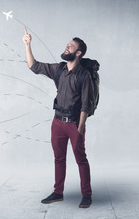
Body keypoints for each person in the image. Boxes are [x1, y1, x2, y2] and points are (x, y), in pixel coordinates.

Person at [22, 27, 94, 208]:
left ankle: (86, 195)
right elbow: (34, 66)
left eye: (70, 46)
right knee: (59, 158)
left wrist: (79, 128)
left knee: (81, 159)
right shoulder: (59, 69)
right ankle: (58, 192)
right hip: (57, 122)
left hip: (75, 124)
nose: (66, 47)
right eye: (67, 45)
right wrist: (28, 45)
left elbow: (86, 104)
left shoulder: (84, 76)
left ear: (78, 53)